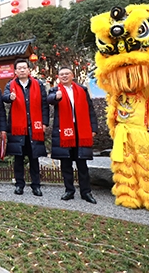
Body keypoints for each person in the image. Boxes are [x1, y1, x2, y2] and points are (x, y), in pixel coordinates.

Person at [48, 67, 98, 204]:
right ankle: (69, 190)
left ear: (72, 75)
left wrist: (93, 128)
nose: (64, 76)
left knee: (82, 164)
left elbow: (90, 109)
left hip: (81, 130)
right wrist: (56, 97)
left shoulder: (82, 90)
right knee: (66, 164)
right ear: (58, 77)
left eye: (67, 74)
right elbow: (49, 100)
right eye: (61, 74)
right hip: (64, 131)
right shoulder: (55, 90)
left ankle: (86, 192)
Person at [2, 58, 49, 196]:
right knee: (18, 158)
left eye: (24, 68)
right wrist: (9, 97)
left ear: (29, 70)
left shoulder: (38, 84)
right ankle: (19, 185)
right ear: (15, 71)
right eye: (19, 68)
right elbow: (4, 97)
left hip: (34, 127)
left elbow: (44, 104)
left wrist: (45, 123)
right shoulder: (10, 84)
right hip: (18, 128)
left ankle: (36, 185)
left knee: (34, 158)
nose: (22, 70)